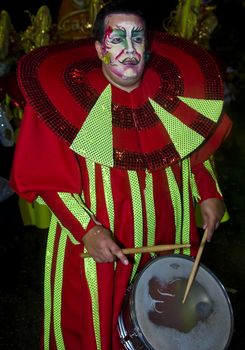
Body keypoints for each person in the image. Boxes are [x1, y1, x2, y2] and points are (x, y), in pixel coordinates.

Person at [10, 1, 232, 349]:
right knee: (92, 326)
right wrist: (87, 230)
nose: (129, 49)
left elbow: (193, 150)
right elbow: (46, 178)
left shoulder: (173, 93)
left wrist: (208, 192)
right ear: (99, 48)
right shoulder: (60, 100)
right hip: (100, 241)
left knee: (162, 325)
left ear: (148, 46)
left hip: (169, 233)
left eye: (138, 39)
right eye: (117, 39)